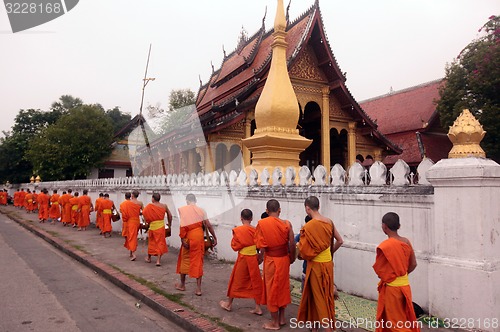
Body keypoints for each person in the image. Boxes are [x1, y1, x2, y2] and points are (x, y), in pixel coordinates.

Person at [297, 196, 344, 332]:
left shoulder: (308, 226)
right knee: (322, 295)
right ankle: (314, 327)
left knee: (318, 298)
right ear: (319, 206)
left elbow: (304, 252)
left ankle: (327, 329)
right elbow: (340, 241)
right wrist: (329, 254)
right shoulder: (329, 222)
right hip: (328, 264)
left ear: (307, 208)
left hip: (316, 266)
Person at [373, 212, 420, 332]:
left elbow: (380, 271)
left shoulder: (385, 246)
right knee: (403, 318)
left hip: (392, 289)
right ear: (399, 226)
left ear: (384, 226)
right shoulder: (406, 242)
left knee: (395, 324)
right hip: (405, 286)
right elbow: (413, 264)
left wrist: (393, 276)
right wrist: (402, 274)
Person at [254, 199, 295, 330]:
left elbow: (261, 245)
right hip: (284, 259)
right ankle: (282, 318)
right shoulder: (287, 224)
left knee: (272, 289)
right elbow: (292, 243)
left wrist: (260, 257)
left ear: (267, 211)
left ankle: (275, 323)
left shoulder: (262, 223)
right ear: (279, 210)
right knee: (282, 287)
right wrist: (292, 258)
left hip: (271, 260)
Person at [219, 209, 263, 316]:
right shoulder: (256, 230)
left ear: (241, 218)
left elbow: (235, 246)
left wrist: (243, 245)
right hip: (253, 258)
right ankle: (258, 307)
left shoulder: (238, 230)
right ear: (251, 218)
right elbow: (260, 244)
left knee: (236, 280)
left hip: (243, 258)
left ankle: (229, 304)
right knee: (256, 281)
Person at [176, 193, 217, 296]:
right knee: (198, 261)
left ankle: (182, 285)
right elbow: (208, 225)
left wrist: (182, 239)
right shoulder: (201, 210)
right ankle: (198, 289)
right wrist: (214, 236)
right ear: (196, 200)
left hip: (188, 236)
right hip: (198, 237)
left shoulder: (183, 209)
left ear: (187, 201)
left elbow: (182, 225)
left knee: (185, 259)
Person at [142, 193, 171, 266]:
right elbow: (170, 216)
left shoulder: (149, 206)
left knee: (151, 242)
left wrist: (147, 222)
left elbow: (144, 214)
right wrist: (169, 224)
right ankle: (158, 261)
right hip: (161, 227)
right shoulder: (164, 206)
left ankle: (149, 258)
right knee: (160, 243)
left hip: (152, 226)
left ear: (153, 198)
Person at [120, 190, 143, 261]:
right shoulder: (140, 203)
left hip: (130, 222)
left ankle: (133, 253)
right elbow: (143, 212)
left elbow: (122, 211)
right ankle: (131, 252)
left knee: (131, 237)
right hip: (137, 221)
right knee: (133, 236)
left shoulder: (127, 203)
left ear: (132, 195)